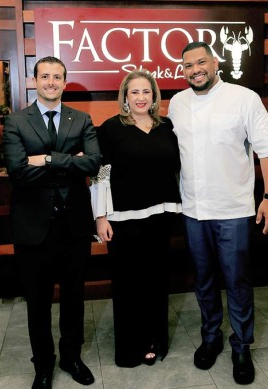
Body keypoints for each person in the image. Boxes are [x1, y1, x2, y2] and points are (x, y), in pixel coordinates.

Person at [167, 42, 268, 385]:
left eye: (201, 62)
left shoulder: (243, 98)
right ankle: (211, 337)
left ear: (214, 63)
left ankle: (241, 345)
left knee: (236, 280)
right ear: (183, 70)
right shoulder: (177, 103)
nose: (195, 69)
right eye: (187, 65)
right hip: (193, 209)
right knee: (203, 280)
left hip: (233, 209)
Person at [2, 56, 101, 389]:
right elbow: (17, 172)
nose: (51, 82)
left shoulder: (82, 119)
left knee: (74, 298)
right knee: (38, 303)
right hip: (33, 229)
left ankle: (71, 359)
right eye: (45, 76)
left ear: (64, 81)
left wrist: (45, 159)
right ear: (35, 80)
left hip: (73, 227)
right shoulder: (16, 122)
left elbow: (92, 162)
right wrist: (68, 162)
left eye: (57, 77)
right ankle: (43, 365)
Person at [91, 69, 182, 368]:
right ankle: (131, 348)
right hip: (123, 220)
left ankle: (155, 340)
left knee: (155, 283)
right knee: (128, 285)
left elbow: (177, 169)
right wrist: (100, 217)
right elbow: (100, 175)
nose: (141, 98)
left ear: (154, 97)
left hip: (161, 216)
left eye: (146, 92)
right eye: (135, 92)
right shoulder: (111, 128)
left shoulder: (167, 126)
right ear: (125, 97)